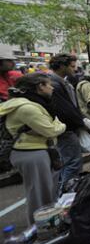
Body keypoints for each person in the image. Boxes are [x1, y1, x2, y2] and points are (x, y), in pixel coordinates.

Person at [0, 73, 66, 224]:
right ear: (40, 87)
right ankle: (39, 228)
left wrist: (54, 125)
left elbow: (48, 127)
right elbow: (51, 129)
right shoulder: (27, 108)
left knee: (45, 190)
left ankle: (49, 223)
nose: (52, 87)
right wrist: (61, 125)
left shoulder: (31, 103)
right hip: (32, 153)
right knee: (39, 193)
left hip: (37, 150)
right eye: (48, 84)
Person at [50, 54, 90, 193]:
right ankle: (67, 195)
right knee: (72, 164)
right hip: (66, 130)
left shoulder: (62, 82)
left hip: (68, 128)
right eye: (72, 66)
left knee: (69, 163)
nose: (75, 69)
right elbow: (65, 109)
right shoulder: (55, 84)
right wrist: (81, 122)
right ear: (62, 66)